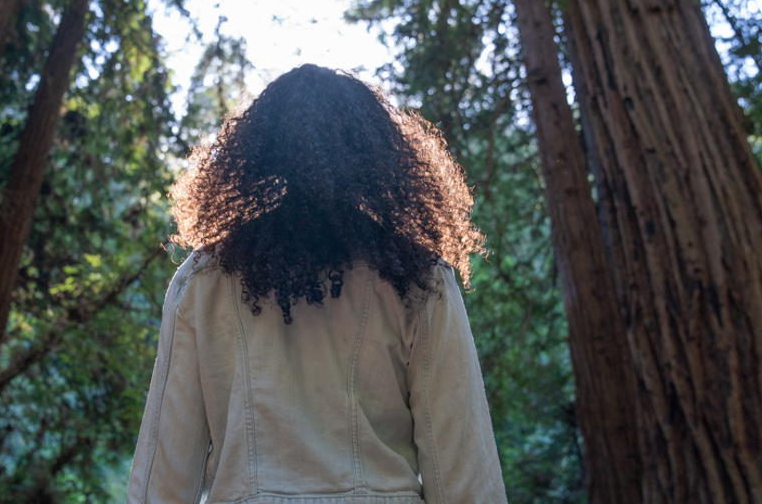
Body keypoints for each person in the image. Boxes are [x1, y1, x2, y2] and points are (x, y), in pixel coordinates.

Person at [126, 64, 508, 503]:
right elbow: (463, 472)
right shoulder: (419, 277)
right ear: (375, 152)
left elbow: (162, 477)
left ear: (258, 153)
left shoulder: (203, 279)